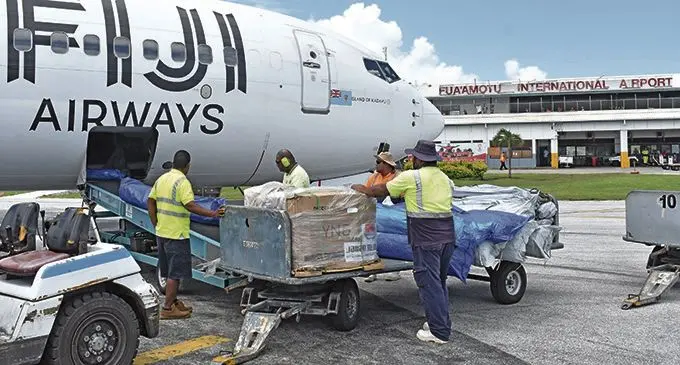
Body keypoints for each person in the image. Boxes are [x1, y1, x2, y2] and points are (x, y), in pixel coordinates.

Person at [351, 140, 455, 344]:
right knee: (439, 283)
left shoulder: (412, 177)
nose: (411, 159)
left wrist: (360, 188)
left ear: (418, 159)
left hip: (426, 238)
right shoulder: (443, 178)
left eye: (413, 157)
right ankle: (439, 321)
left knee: (428, 283)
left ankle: (439, 332)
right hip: (447, 236)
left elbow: (378, 191)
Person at [147, 150, 225, 320]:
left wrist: (155, 222)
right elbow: (190, 205)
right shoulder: (182, 182)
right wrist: (212, 214)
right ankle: (167, 308)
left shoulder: (162, 179)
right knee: (175, 274)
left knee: (168, 272)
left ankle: (173, 302)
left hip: (162, 233)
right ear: (187, 166)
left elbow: (150, 200)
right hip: (177, 235)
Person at [363, 152, 401, 283]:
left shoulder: (397, 177)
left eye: (379, 162)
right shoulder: (373, 177)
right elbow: (366, 191)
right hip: (376, 212)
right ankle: (373, 268)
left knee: (394, 240)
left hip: (393, 213)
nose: (376, 164)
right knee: (371, 239)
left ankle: (396, 270)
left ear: (387, 164)